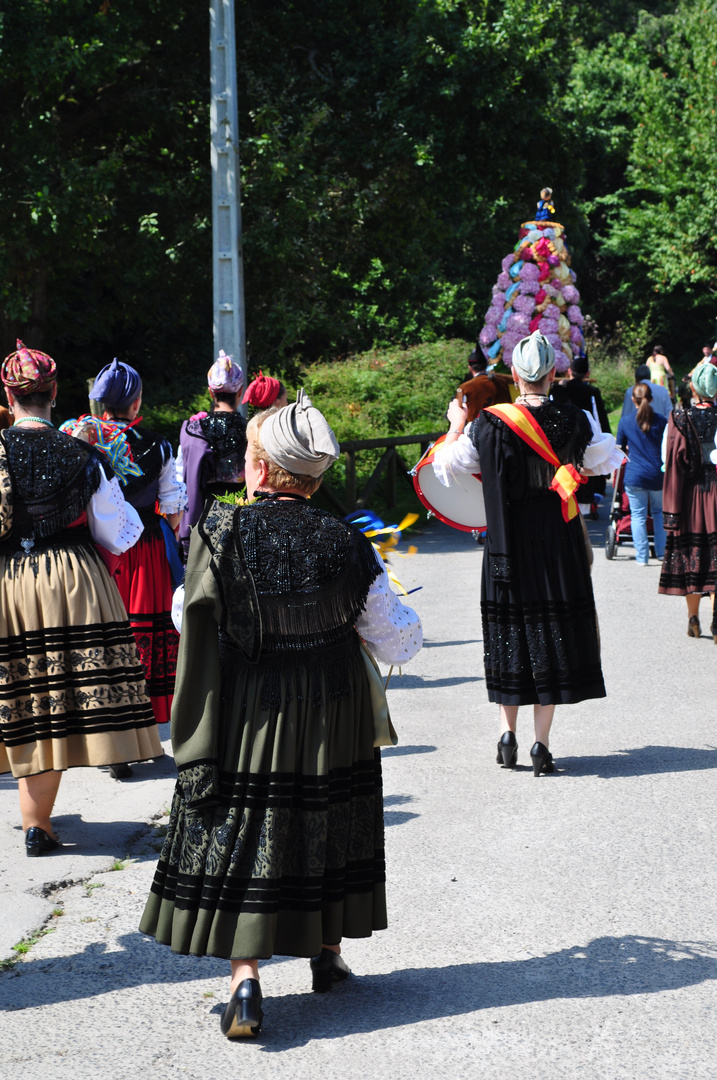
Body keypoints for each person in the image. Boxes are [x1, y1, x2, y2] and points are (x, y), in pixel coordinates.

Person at [140, 390, 422, 1037]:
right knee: (324, 821)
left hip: (250, 709)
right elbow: (399, 640)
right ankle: (327, 956)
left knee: (254, 829)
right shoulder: (348, 542)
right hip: (333, 710)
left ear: (262, 469)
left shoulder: (222, 528)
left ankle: (245, 982)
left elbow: (191, 614)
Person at [433, 331, 623, 775]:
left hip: (506, 544)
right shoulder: (575, 419)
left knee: (510, 635)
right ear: (554, 374)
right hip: (558, 546)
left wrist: (456, 422)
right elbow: (602, 458)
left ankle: (506, 734)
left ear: (515, 375)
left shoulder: (491, 423)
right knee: (550, 635)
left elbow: (449, 464)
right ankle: (541, 745)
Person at [0, 342, 161, 855]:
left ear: (8, 395)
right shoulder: (82, 454)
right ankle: (36, 823)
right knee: (56, 703)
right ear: (54, 394)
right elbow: (120, 534)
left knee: (23, 697)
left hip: (8, 580)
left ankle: (36, 821)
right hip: (71, 579)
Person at [90, 360, 187, 728]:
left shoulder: (84, 439)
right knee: (147, 630)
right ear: (137, 401)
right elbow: (174, 509)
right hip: (145, 548)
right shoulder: (158, 446)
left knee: (106, 629)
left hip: (99, 549)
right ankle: (149, 714)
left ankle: (108, 714)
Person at [659, 361, 717, 640]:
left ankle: (693, 619)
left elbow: (672, 466)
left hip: (691, 498)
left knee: (694, 560)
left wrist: (671, 511)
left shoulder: (680, 419)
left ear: (693, 388)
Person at [177, 351, 248, 561]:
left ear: (211, 392)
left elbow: (189, 485)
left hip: (205, 522)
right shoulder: (252, 430)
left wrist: (186, 536)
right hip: (243, 517)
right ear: (240, 392)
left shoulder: (193, 430)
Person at [551, 353, 611, 517]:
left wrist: (560, 388)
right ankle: (586, 505)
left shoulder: (559, 390)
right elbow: (601, 418)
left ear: (569, 371)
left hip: (564, 439)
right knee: (586, 470)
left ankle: (566, 501)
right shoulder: (592, 391)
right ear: (587, 373)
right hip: (586, 438)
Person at [616, 383, 667, 565]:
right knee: (659, 512)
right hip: (657, 474)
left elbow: (619, 448)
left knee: (637, 515)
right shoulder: (661, 421)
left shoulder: (625, 421)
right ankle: (661, 552)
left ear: (633, 399)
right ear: (651, 399)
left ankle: (642, 557)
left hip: (635, 474)